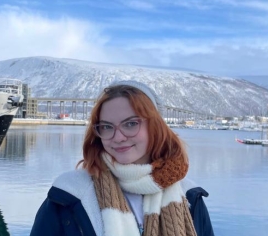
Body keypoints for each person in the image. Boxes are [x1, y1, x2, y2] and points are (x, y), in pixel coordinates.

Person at [30, 80, 215, 236]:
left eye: (131, 124)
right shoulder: (70, 193)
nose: (118, 137)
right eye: (107, 127)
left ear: (155, 127)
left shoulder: (189, 195)